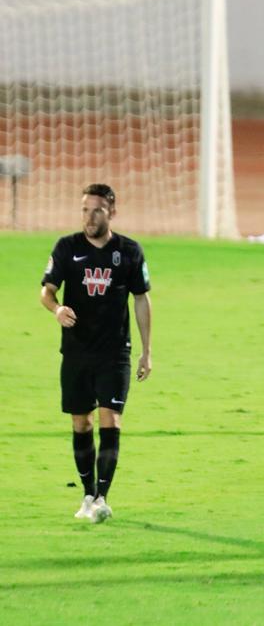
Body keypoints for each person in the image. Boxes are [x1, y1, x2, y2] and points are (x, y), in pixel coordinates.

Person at [40, 183, 152, 523]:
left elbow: (142, 299)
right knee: (81, 422)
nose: (90, 217)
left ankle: (102, 497)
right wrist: (57, 310)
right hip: (76, 353)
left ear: (111, 212)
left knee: (111, 419)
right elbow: (46, 292)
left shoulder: (129, 251)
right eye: (86, 210)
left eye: (97, 210)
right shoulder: (66, 247)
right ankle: (88, 494)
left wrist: (147, 352)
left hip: (115, 352)